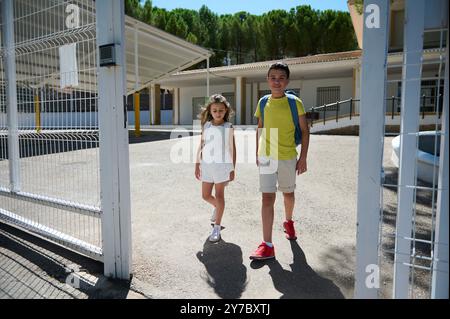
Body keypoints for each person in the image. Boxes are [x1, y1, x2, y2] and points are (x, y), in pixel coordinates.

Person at [250, 62, 310, 260]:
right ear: (267, 80)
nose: (277, 81)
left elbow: (304, 130)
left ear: (287, 81)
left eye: (281, 78)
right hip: (267, 156)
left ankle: (289, 221)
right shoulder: (262, 102)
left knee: (288, 194)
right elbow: (260, 127)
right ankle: (267, 245)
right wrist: (257, 151)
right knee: (267, 198)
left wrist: (303, 158)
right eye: (273, 77)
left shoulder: (295, 103)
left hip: (287, 156)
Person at [195, 94, 236, 242]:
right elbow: (202, 144)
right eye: (215, 110)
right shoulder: (206, 125)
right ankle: (217, 208)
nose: (218, 113)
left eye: (221, 110)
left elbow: (232, 148)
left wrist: (232, 168)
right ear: (210, 111)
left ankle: (217, 227)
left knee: (219, 196)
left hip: (221, 166)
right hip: (207, 165)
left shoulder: (228, 127)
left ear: (226, 111)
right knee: (205, 195)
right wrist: (197, 163)